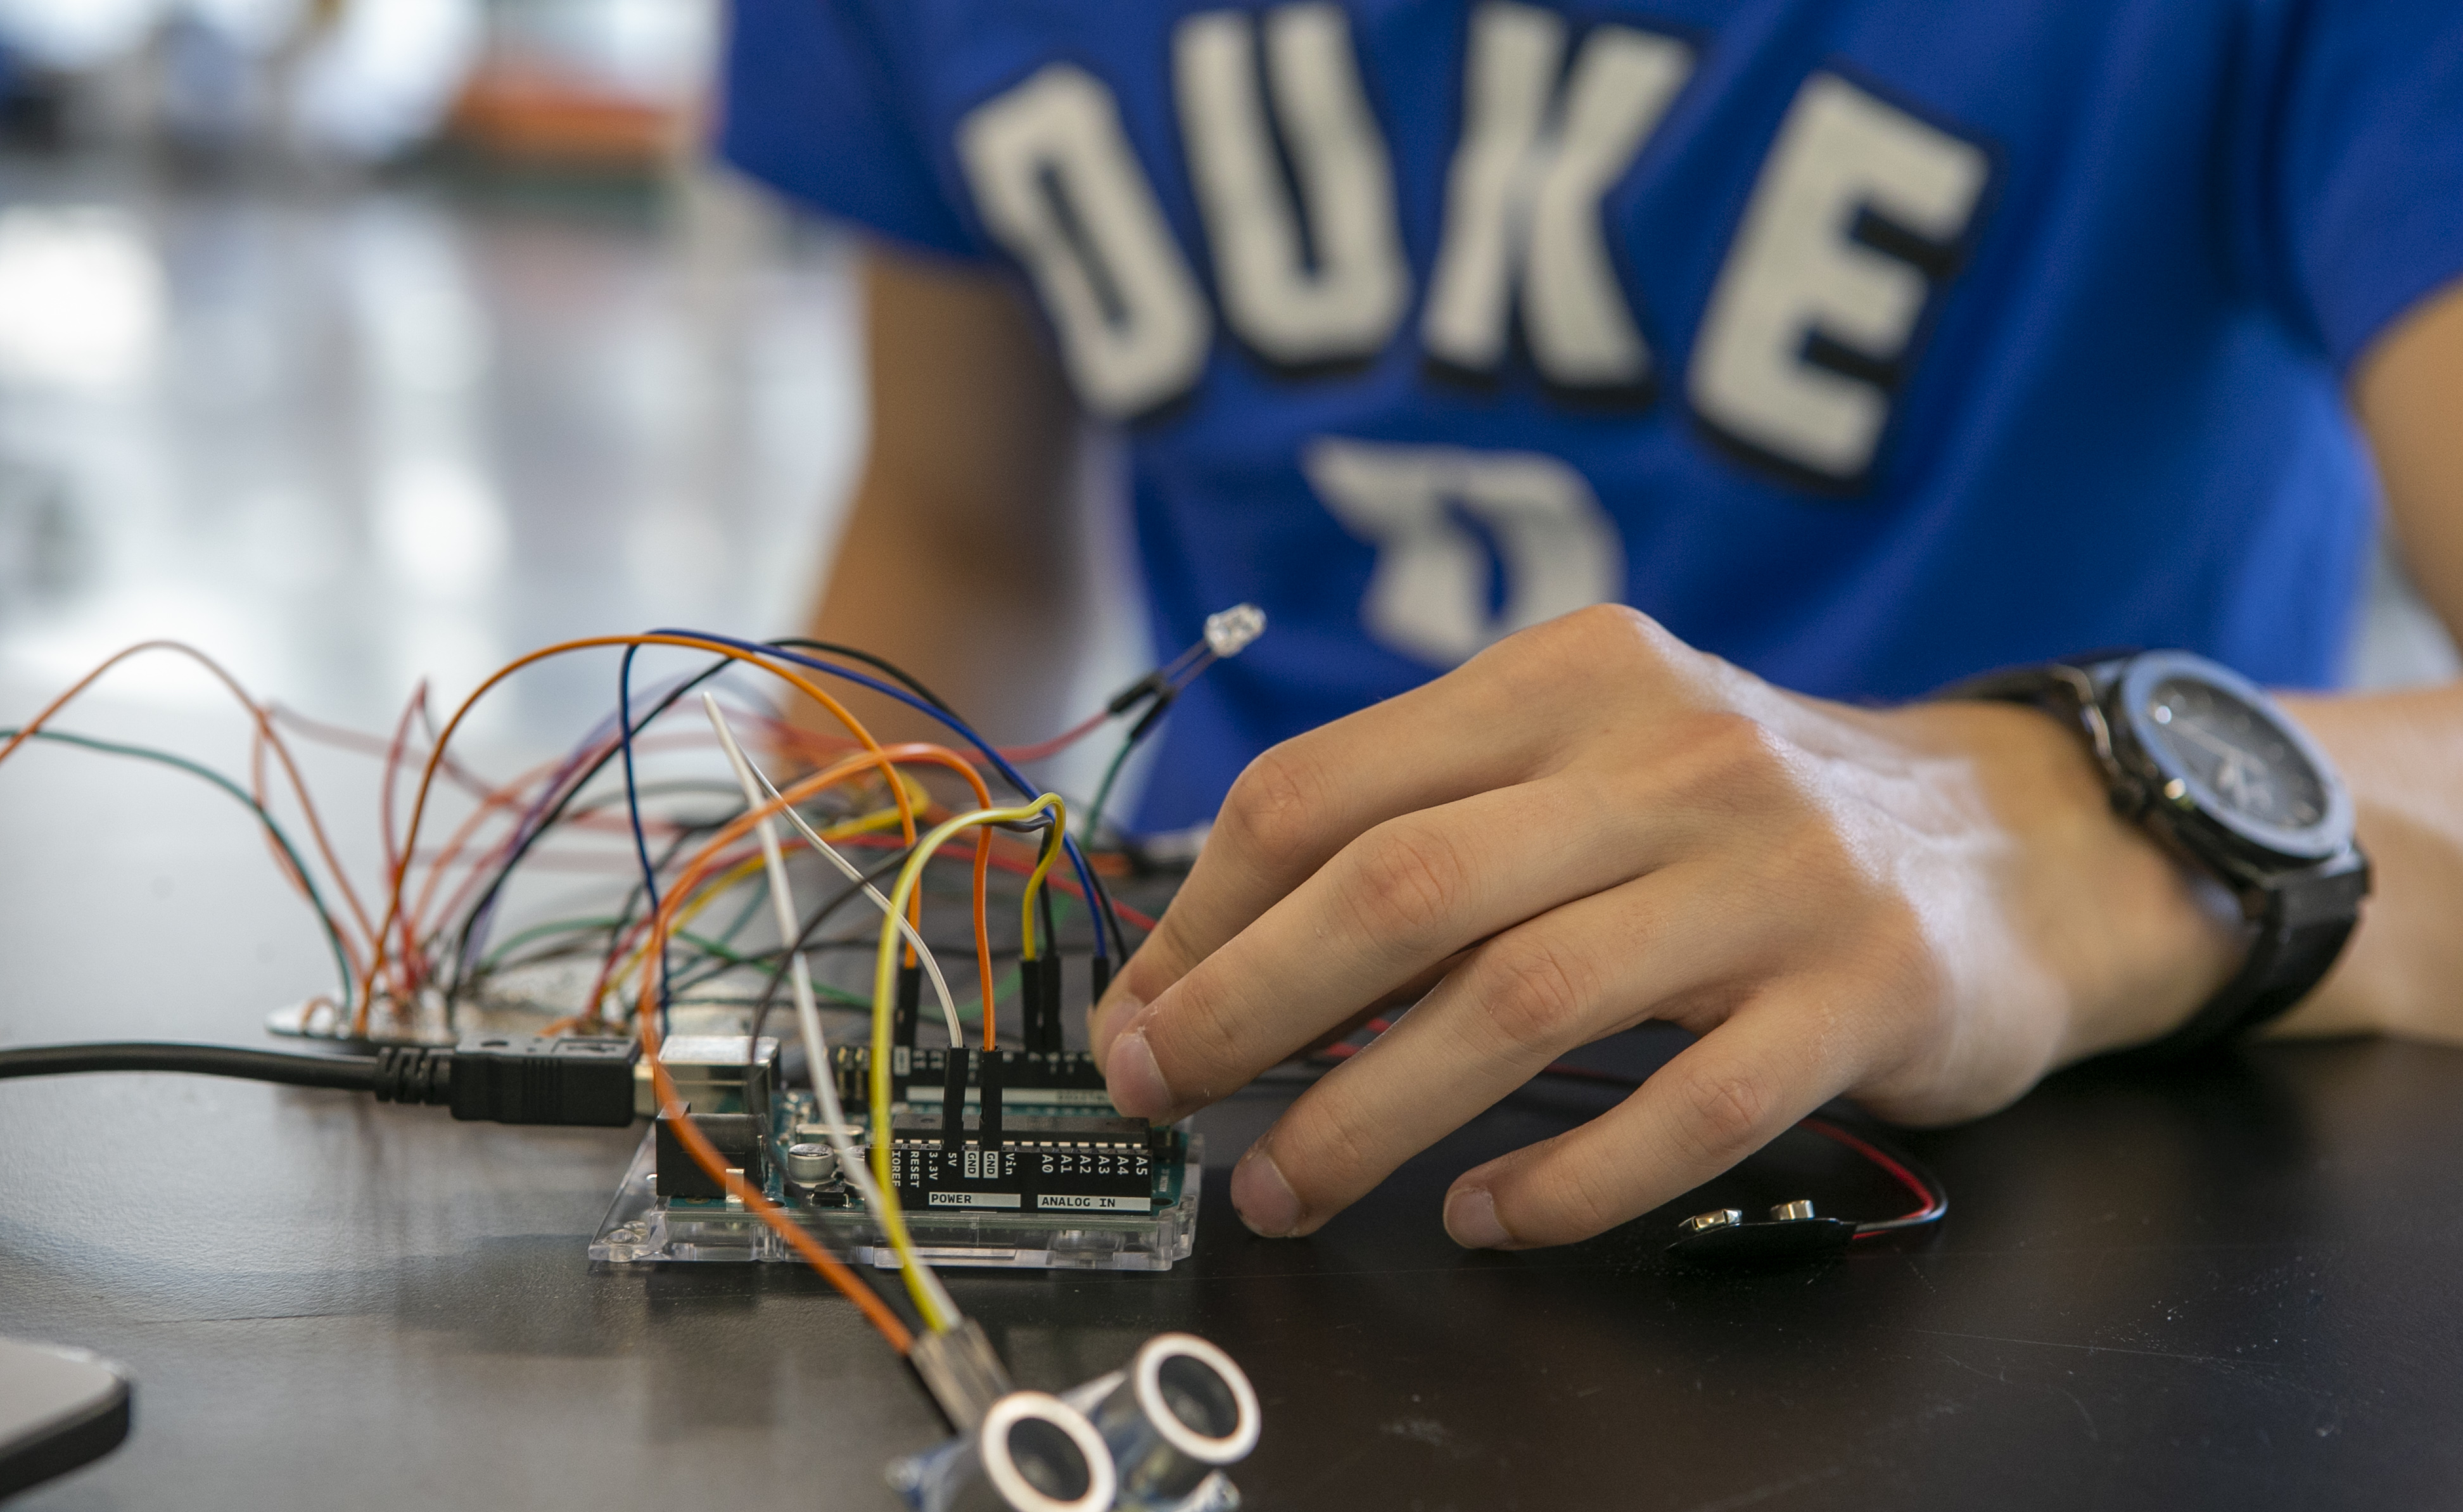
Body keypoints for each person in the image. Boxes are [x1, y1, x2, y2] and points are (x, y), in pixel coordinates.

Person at [720, 0, 2463, 1252]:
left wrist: (2065, 826)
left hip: (2046, 1175)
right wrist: (768, 971)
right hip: (1238, 1103)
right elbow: (962, 535)